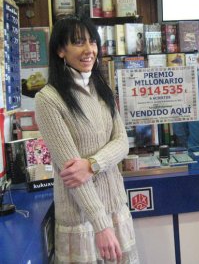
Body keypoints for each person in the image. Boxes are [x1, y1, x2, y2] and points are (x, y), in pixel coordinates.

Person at [35, 17, 140, 263]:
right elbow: (73, 175)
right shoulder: (48, 99)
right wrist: (101, 226)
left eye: (92, 42)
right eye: (78, 42)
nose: (89, 50)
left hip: (116, 209)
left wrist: (92, 164)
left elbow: (122, 142)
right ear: (61, 50)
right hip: (83, 220)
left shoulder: (101, 87)